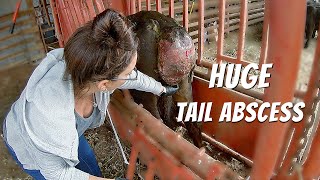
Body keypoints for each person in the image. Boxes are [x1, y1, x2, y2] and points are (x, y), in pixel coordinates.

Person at [2, 9, 178, 180]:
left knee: (90, 167)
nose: (132, 75)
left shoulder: (87, 67)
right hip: (28, 146)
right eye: (128, 72)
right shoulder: (48, 117)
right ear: (104, 85)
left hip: (65, 133)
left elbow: (130, 78)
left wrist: (160, 89)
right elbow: (58, 174)